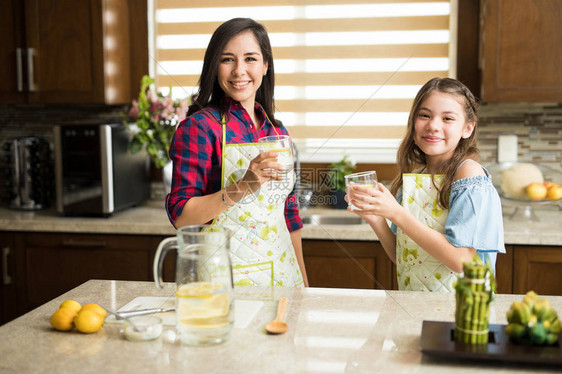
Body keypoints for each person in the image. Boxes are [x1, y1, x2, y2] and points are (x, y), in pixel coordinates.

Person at [166, 18, 308, 287]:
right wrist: (242, 186)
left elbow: (289, 214)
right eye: (228, 59)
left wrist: (305, 285)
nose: (239, 71)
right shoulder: (200, 127)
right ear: (214, 66)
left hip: (285, 279)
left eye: (250, 59)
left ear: (265, 66)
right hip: (224, 282)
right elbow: (181, 216)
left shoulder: (278, 132)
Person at [347, 77, 505, 292]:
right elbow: (405, 256)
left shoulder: (469, 174)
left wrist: (396, 213)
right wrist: (376, 219)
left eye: (447, 118)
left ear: (467, 128)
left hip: (463, 311)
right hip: (418, 306)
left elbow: (461, 261)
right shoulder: (416, 177)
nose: (433, 126)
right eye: (424, 115)